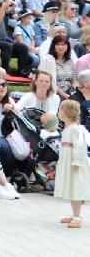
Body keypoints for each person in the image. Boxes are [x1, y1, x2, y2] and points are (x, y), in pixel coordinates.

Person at [54, 99, 90, 228]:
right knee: (72, 186)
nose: (58, 112)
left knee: (76, 188)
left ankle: (77, 217)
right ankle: (74, 214)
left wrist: (76, 162)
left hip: (75, 163)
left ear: (66, 112)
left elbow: (79, 146)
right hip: (67, 161)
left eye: (60, 109)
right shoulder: (67, 128)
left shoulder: (75, 129)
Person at [39, 34, 78, 100]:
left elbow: (74, 80)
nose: (60, 47)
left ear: (67, 47)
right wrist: (64, 95)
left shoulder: (70, 61)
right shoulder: (47, 60)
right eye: (57, 45)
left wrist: (74, 92)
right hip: (54, 93)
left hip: (70, 92)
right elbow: (47, 82)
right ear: (53, 46)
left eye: (63, 45)